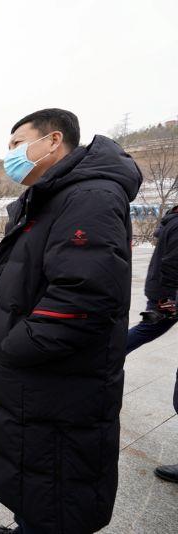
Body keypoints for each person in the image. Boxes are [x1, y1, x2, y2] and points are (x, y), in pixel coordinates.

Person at [0, 109, 142, 534]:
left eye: (16, 144)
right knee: (36, 466)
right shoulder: (52, 195)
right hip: (40, 373)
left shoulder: (90, 196)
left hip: (57, 373)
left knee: (56, 472)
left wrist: (14, 347)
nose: (9, 155)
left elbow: (85, 296)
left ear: (53, 140)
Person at [125, 204, 178, 484]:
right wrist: (169, 301)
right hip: (166, 298)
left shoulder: (172, 219)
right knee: (147, 327)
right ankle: (108, 354)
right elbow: (172, 263)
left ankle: (109, 353)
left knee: (146, 328)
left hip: (163, 295)